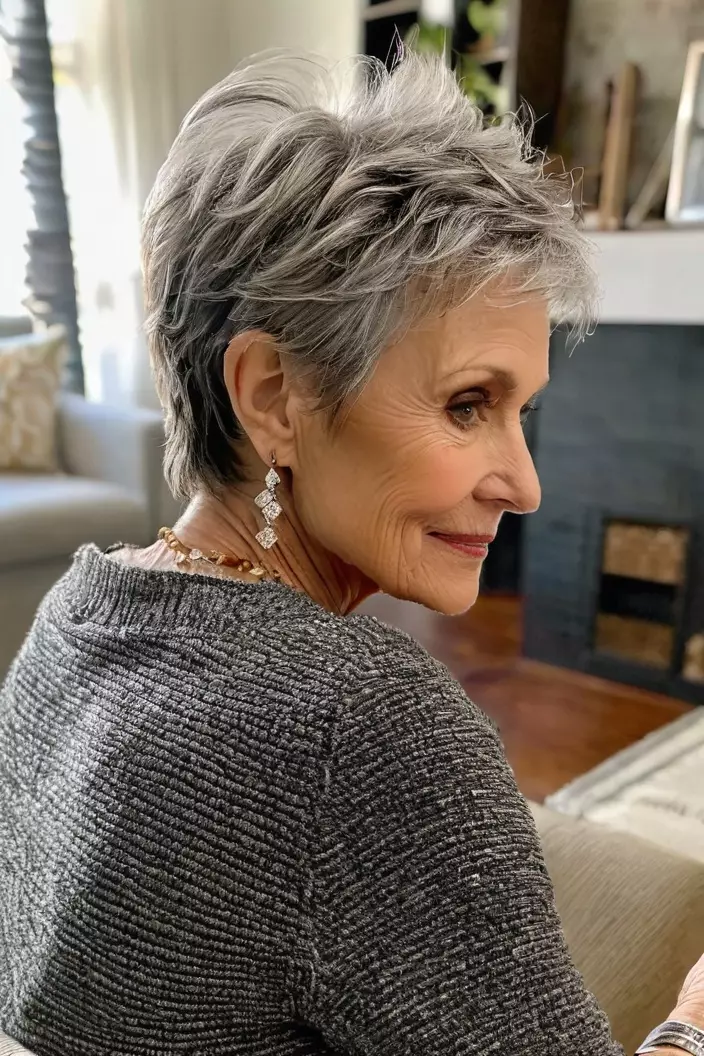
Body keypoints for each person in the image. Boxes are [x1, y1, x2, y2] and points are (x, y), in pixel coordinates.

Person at [0, 48, 702, 1056]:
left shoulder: (75, 609)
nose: (525, 483)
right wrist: (686, 1025)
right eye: (468, 404)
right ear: (272, 395)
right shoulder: (361, 726)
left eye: (522, 412)